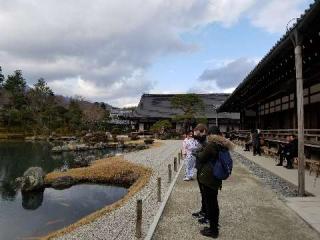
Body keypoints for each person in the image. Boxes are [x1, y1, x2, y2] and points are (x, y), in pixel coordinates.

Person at [196, 126, 234, 238]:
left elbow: (202, 157)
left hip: (209, 177)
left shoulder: (212, 145)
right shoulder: (222, 144)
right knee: (213, 202)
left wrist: (198, 152)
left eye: (208, 134)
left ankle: (213, 231)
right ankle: (213, 227)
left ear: (211, 135)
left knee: (211, 204)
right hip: (216, 176)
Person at [191, 124, 209, 221]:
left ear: (203, 131)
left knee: (205, 193)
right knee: (202, 192)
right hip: (200, 169)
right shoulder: (201, 140)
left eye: (197, 132)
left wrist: (195, 152)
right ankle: (203, 211)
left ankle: (207, 214)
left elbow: (202, 154)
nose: (196, 135)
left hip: (205, 170)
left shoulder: (206, 141)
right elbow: (198, 150)